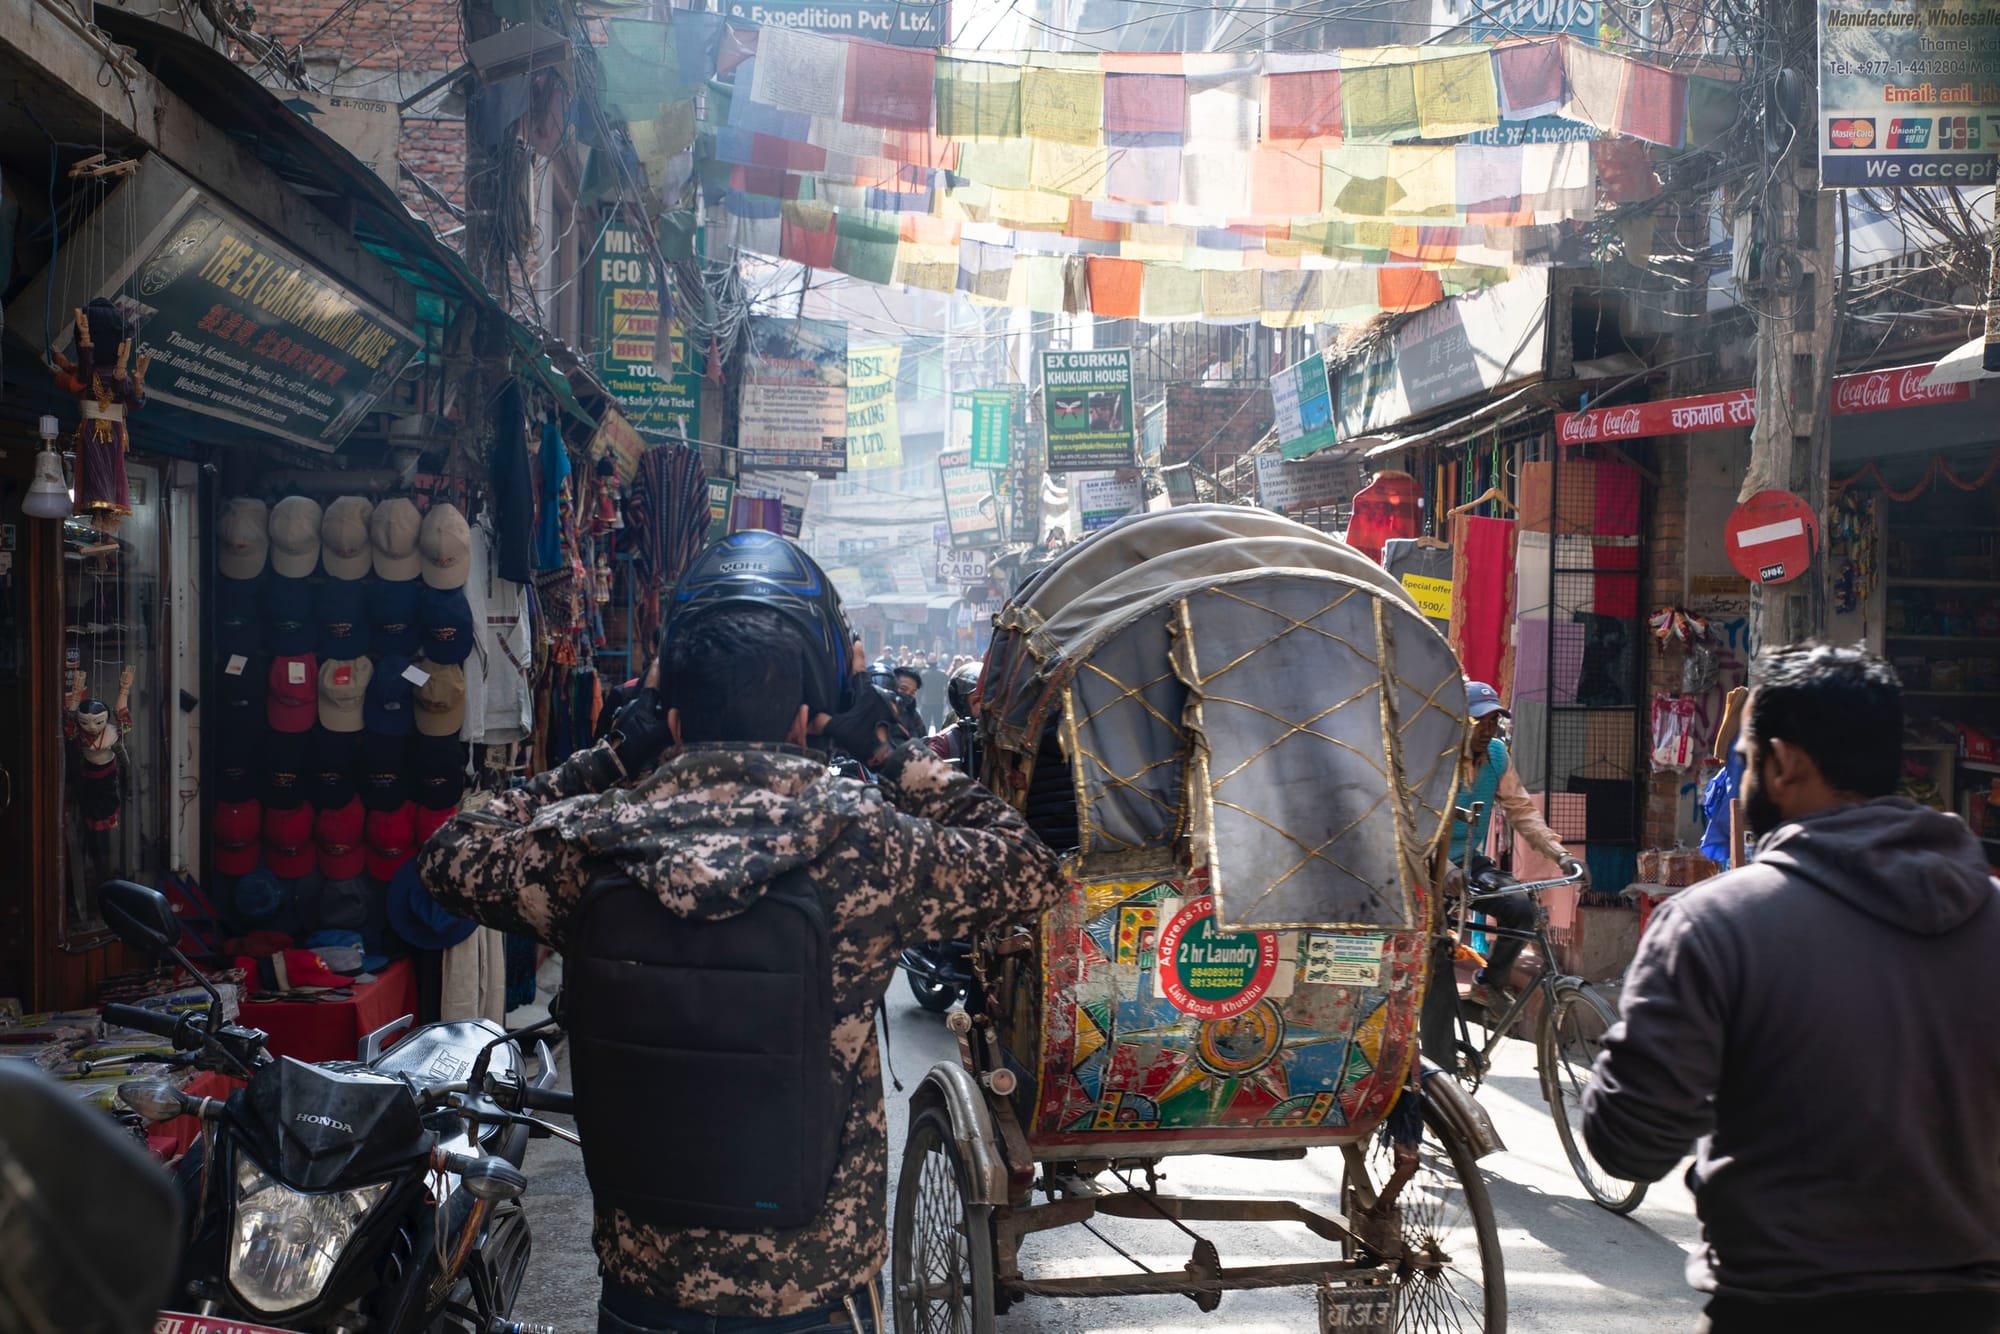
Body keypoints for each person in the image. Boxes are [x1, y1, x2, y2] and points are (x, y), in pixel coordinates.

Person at [419, 534, 1067, 1334]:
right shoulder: (865, 843)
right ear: (806, 719)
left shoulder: (586, 841)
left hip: (642, 1286)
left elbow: (452, 852)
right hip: (812, 1290)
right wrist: (887, 750)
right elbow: (1031, 867)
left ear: (674, 717)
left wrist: (613, 756)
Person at [1583, 644, 2000, 1333]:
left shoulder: (1713, 927)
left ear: (1784, 762)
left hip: (1780, 1308)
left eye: (1744, 756)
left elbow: (1628, 1141)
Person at [1420, 680, 1580, 1065]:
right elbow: (1417, 824)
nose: (1488, 730)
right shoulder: (1434, 757)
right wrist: (1448, 871)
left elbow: (1521, 810)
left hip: (1468, 861)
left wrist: (1560, 855)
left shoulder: (1495, 755)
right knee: (1438, 963)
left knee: (1521, 908)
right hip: (1425, 865)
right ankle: (1440, 1073)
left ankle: (1489, 983)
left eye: (1494, 722)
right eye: (1480, 722)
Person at [890, 664, 925, 735]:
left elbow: (923, 739)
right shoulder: (880, 711)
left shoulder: (913, 715)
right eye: (903, 689)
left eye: (912, 692)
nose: (907, 694)